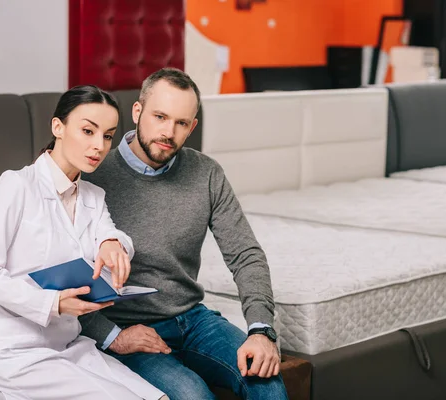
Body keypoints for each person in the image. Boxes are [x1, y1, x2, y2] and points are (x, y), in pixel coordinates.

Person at [80, 68, 289, 399]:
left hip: (193, 319)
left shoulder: (206, 173)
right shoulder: (91, 173)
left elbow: (245, 255)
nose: (168, 131)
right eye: (159, 116)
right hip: (127, 327)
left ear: (192, 127)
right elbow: (60, 277)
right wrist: (111, 335)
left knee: (268, 383)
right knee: (193, 395)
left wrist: (261, 329)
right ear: (137, 112)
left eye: (180, 123)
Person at [0, 86, 167, 400]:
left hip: (70, 343)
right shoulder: (16, 186)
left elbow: (113, 237)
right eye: (87, 130)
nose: (98, 146)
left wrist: (111, 243)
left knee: (157, 397)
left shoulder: (92, 196)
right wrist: (53, 304)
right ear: (57, 127)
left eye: (107, 136)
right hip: (16, 352)